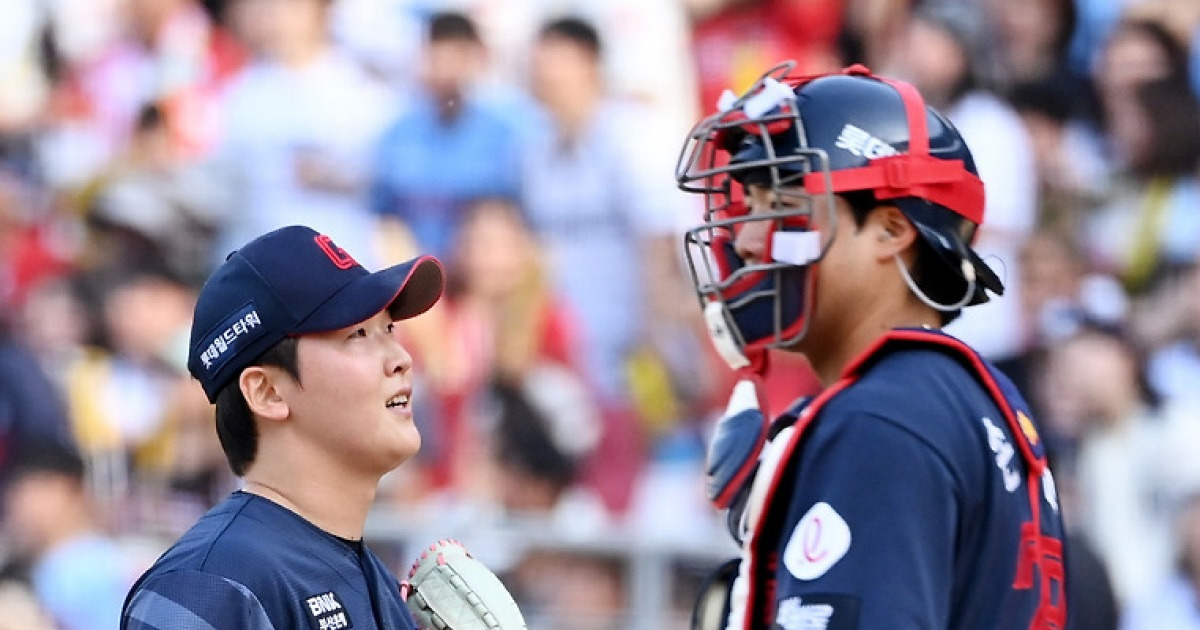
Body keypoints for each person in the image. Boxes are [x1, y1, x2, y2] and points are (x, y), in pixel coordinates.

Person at [676, 64, 1068, 628]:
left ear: (890, 230)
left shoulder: (880, 417)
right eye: (749, 205)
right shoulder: (971, 397)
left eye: (780, 206)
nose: (747, 237)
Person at [120, 225, 445, 629]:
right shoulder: (211, 584)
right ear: (268, 391)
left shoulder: (373, 578)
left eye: (389, 329)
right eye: (357, 333)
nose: (400, 359)